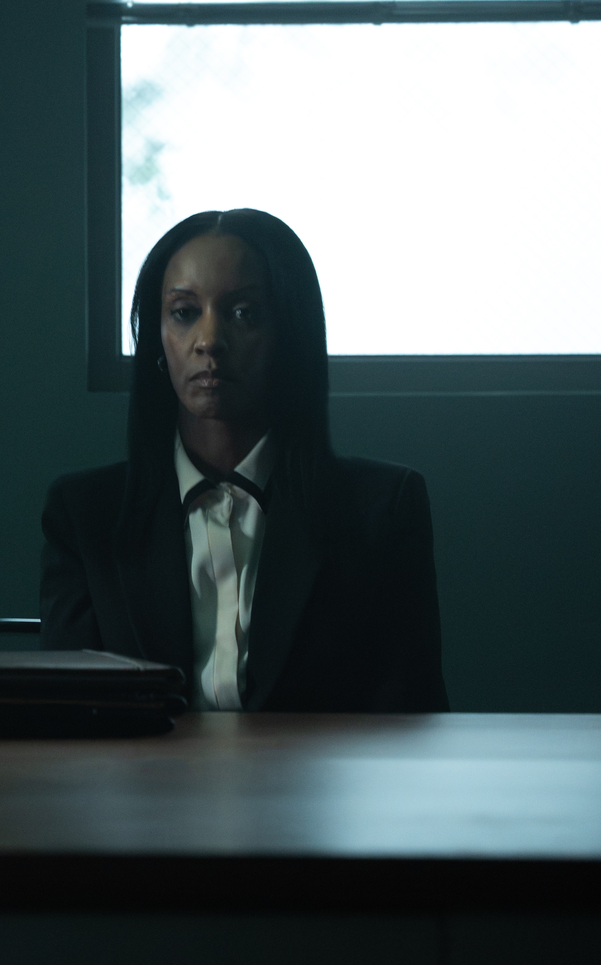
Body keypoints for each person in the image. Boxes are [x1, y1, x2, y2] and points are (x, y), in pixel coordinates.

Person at [40, 209, 447, 712]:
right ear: (157, 339)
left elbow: (411, 715)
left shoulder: (380, 510)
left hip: (319, 767)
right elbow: (65, 718)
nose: (209, 341)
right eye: (184, 312)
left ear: (288, 334)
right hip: (145, 766)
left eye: (244, 313)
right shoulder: (86, 514)